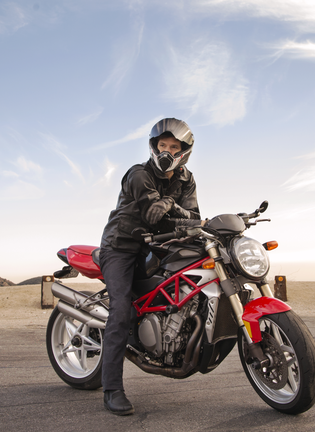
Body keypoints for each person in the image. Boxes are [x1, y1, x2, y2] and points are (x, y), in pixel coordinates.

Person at [98, 118, 203, 415]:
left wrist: (171, 204)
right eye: (162, 145)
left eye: (173, 146)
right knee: (120, 310)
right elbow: (155, 214)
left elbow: (194, 218)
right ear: (154, 147)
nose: (167, 151)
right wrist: (171, 206)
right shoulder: (138, 174)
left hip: (156, 246)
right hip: (120, 246)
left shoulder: (187, 179)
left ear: (184, 150)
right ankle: (112, 389)